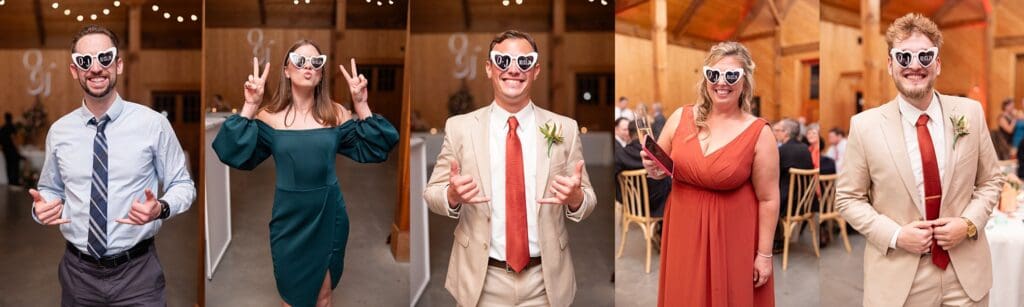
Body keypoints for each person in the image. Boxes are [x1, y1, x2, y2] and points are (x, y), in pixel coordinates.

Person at [212, 40, 399, 306]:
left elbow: (379, 145)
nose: (308, 67)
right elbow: (230, 152)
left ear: (321, 72)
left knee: (323, 296)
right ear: (286, 70)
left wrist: (361, 104)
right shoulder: (269, 117)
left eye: (316, 62)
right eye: (300, 61)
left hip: (328, 215)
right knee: (292, 298)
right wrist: (250, 106)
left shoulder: (335, 113)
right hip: (289, 220)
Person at [836, 13, 1003, 307]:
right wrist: (897, 235)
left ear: (937, 64)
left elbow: (991, 180)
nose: (915, 65)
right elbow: (848, 199)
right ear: (890, 64)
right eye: (903, 57)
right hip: (900, 279)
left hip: (965, 275)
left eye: (925, 56)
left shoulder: (971, 113)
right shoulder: (864, 126)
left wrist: (968, 224)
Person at [423, 30, 596, 307]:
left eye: (524, 62)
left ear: (536, 70)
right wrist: (452, 196)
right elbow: (432, 193)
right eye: (503, 61)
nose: (513, 69)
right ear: (489, 69)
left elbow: (588, 200)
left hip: (545, 282)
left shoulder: (565, 128)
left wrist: (575, 199)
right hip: (481, 280)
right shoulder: (460, 128)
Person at [29, 25, 196, 306]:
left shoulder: (153, 124)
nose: (96, 68)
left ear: (118, 64)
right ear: (75, 70)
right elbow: (50, 188)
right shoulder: (59, 132)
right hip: (77, 274)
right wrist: (40, 208)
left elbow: (183, 185)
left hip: (138, 274)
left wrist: (161, 208)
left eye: (104, 58)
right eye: (85, 61)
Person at [642, 41, 779, 306]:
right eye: (713, 74)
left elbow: (769, 199)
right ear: (706, 78)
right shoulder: (680, 118)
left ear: (744, 80)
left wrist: (764, 254)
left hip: (731, 240)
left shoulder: (759, 133)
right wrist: (653, 169)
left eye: (731, 75)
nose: (721, 83)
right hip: (683, 230)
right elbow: (662, 170)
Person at [615, 120, 668, 217]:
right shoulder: (657, 152)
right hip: (661, 206)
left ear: (629, 135)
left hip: (634, 206)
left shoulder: (621, 154)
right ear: (647, 133)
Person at [0, 112, 24, 185]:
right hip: (12, 150)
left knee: (8, 165)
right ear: (11, 118)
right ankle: (15, 182)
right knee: (15, 166)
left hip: (5, 150)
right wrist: (17, 148)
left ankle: (10, 181)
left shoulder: (2, 128)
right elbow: (13, 138)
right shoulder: (11, 127)